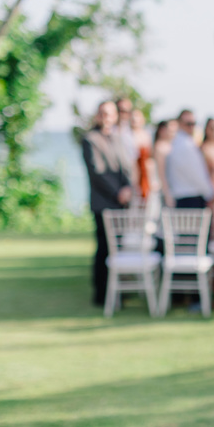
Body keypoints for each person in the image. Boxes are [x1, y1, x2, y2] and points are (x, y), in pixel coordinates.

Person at [81, 100, 133, 306]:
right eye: (102, 113)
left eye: (110, 113)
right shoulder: (90, 139)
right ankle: (102, 293)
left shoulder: (118, 138)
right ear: (97, 115)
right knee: (104, 248)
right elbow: (97, 172)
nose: (106, 117)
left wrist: (128, 188)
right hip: (103, 203)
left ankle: (118, 290)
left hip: (122, 203)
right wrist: (117, 192)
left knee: (118, 248)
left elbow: (125, 168)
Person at [166, 109, 214, 209]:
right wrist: (210, 193)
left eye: (194, 123)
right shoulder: (186, 145)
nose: (192, 127)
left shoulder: (178, 143)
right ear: (179, 123)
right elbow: (196, 173)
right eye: (188, 124)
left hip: (183, 197)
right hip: (192, 198)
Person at [153, 120, 177, 207]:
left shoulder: (171, 145)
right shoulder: (160, 147)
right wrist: (167, 194)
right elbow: (161, 173)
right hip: (166, 190)